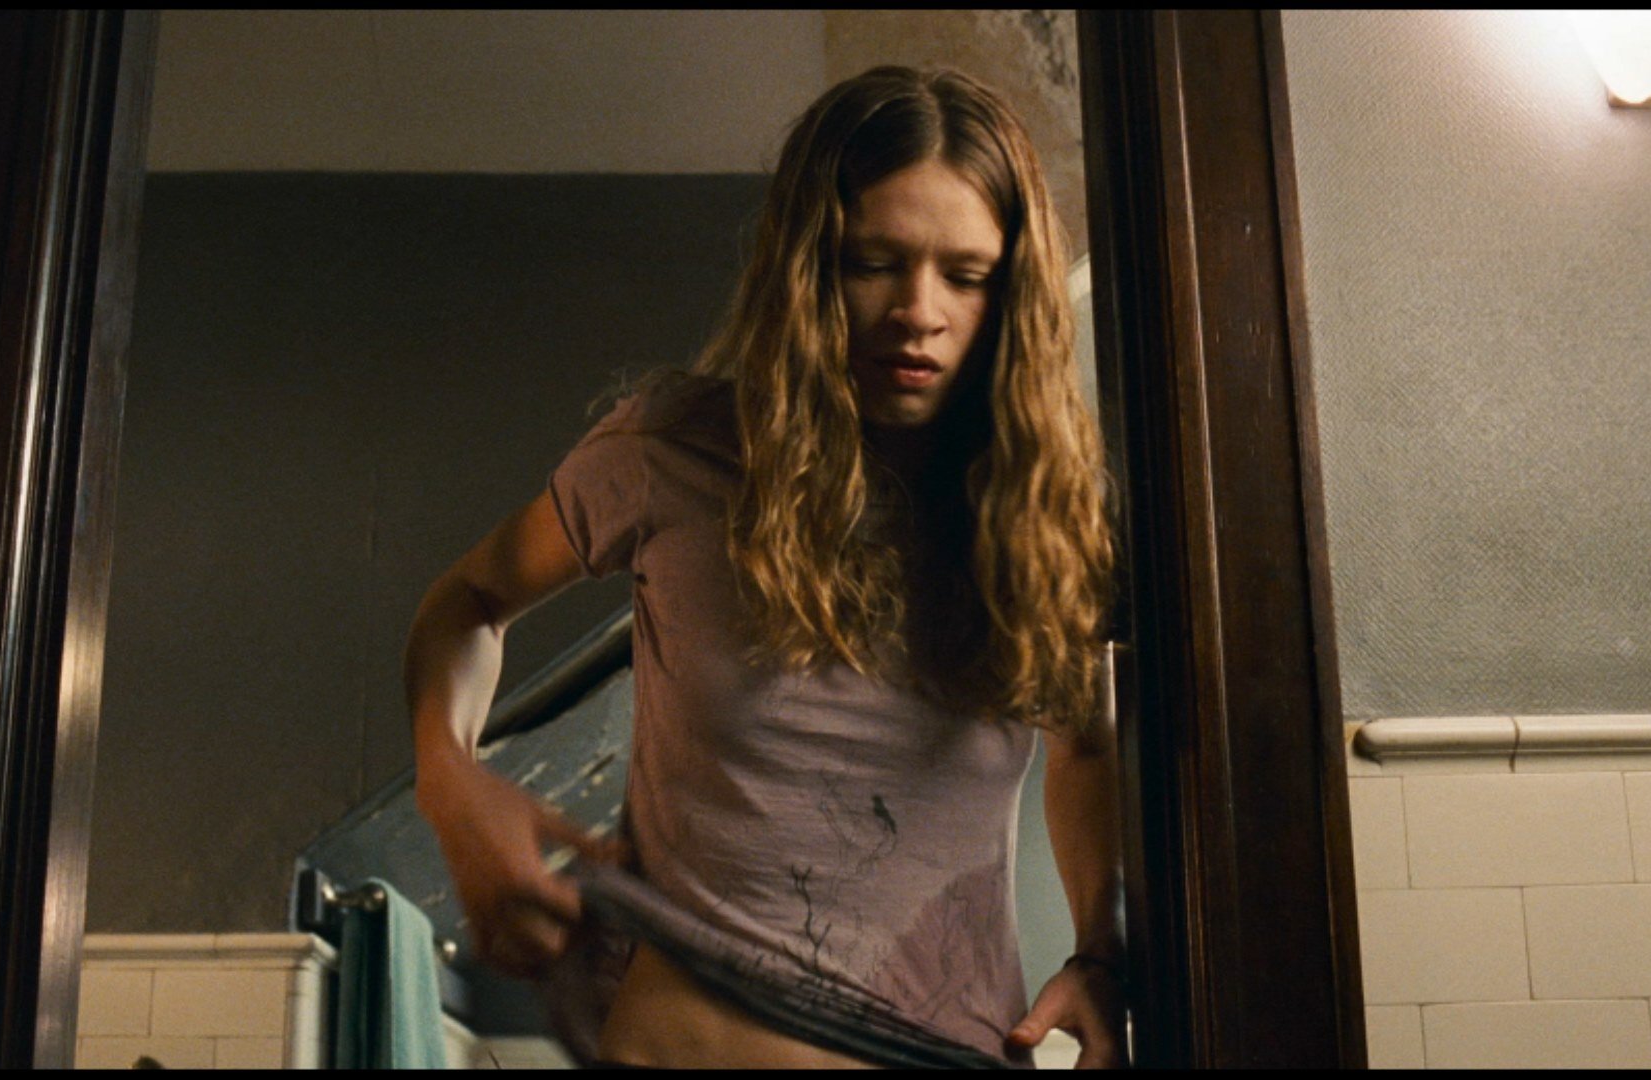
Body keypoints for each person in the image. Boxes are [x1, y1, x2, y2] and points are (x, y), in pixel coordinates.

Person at [403, 65, 1125, 1069]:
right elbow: (472, 598)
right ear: (809, 264)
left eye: (966, 275)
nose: (919, 310)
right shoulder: (673, 450)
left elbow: (1084, 747)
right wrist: (449, 776)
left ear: (1013, 292)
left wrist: (1100, 948)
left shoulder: (1046, 512)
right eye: (874, 261)